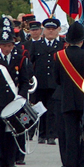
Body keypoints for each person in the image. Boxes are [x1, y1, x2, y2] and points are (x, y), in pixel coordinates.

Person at [0, 29, 31, 167]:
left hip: (13, 101)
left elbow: (24, 81)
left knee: (12, 132)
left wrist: (21, 97)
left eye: (9, 45)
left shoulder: (19, 59)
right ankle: (0, 160)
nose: (7, 48)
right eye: (4, 46)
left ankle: (11, 160)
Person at [53, 22, 84, 167]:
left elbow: (57, 80)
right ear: (82, 40)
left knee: (70, 137)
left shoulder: (59, 56)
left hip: (67, 101)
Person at [29, 18, 64, 146]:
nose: (50, 31)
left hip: (55, 83)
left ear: (58, 30)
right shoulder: (37, 45)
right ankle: (41, 134)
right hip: (40, 83)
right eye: (48, 29)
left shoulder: (61, 45)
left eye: (53, 29)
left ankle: (51, 135)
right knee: (40, 110)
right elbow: (29, 62)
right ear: (43, 30)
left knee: (53, 110)